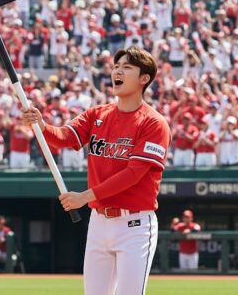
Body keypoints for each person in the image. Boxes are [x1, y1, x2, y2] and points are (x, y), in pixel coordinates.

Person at [24, 46, 170, 295]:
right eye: (116, 66)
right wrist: (42, 126)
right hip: (99, 222)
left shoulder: (153, 122)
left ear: (144, 78)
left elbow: (133, 174)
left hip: (135, 224)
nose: (117, 71)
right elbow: (65, 138)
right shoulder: (97, 114)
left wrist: (85, 197)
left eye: (127, 67)